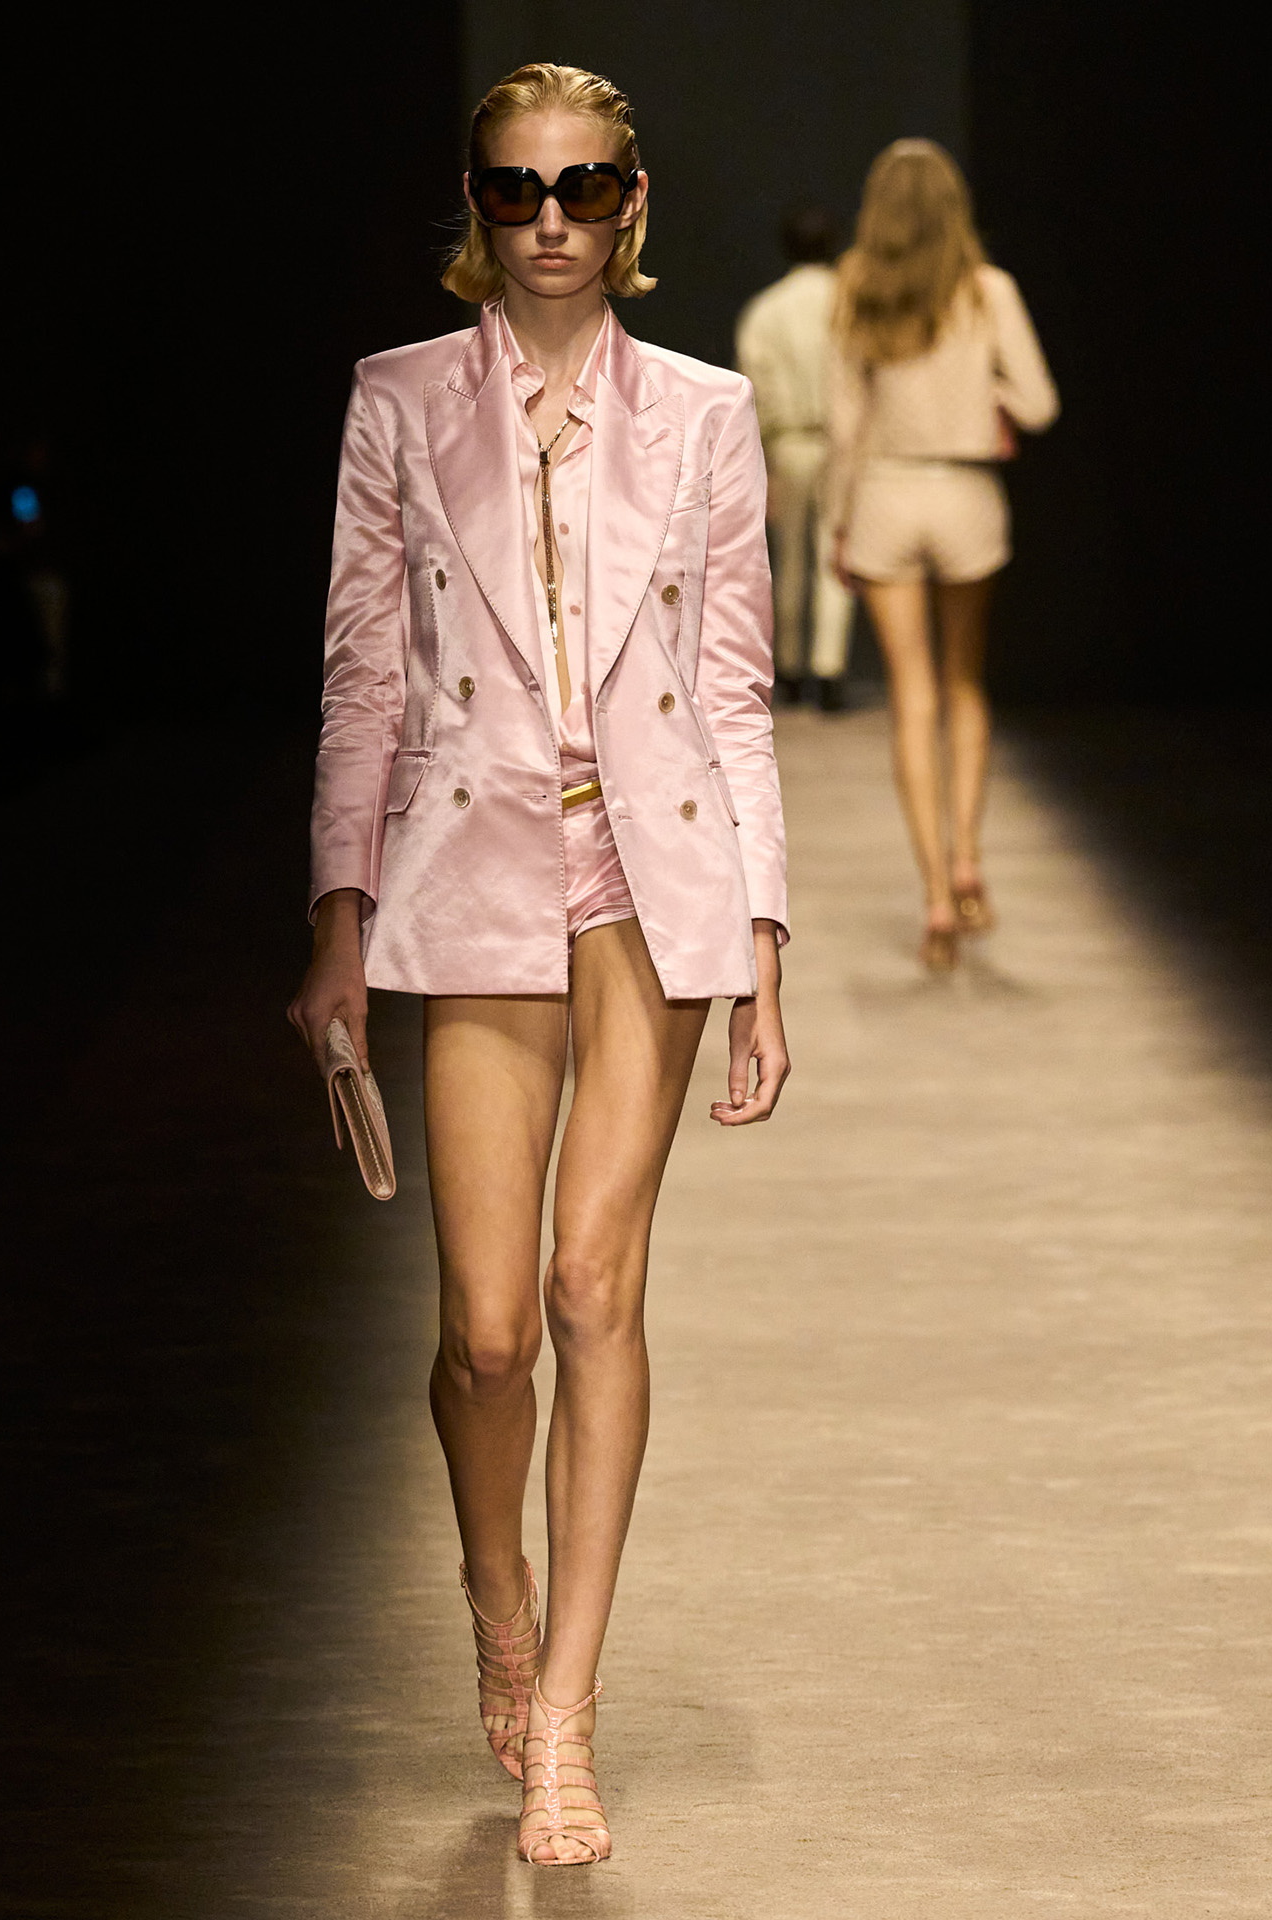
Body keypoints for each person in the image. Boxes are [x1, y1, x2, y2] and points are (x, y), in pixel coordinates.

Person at [289, 61, 791, 1868]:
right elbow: (362, 671)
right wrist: (337, 919)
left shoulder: (710, 412)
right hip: (473, 858)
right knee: (489, 1334)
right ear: (477, 205)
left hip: (649, 873)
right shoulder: (398, 400)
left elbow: (732, 685)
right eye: (516, 188)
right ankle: (495, 1591)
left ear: (632, 201)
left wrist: (764, 938)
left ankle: (566, 1707)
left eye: (583, 186)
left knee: (594, 1290)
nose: (552, 219)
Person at [827, 140, 1057, 968]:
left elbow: (845, 426)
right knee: (964, 684)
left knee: (912, 696)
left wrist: (836, 527)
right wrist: (983, 394)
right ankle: (967, 860)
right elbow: (1040, 404)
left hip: (887, 495)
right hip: (965, 495)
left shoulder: (858, 287)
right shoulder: (989, 290)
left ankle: (931, 896)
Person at [736, 200, 855, 708]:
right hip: (842, 441)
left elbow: (753, 388)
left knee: (786, 559)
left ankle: (787, 668)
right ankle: (830, 670)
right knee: (836, 555)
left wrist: (759, 458)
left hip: (786, 443)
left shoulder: (767, 309)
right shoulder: (850, 303)